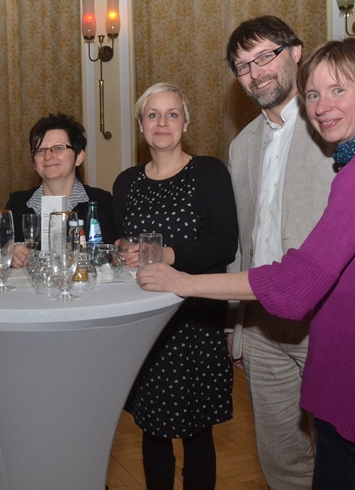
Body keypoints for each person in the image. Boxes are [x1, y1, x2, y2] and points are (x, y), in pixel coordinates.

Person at [137, 38, 355, 490]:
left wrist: (183, 281)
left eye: (338, 90)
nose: (321, 106)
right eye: (312, 94)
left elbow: (296, 285)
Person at [223, 15, 336, 489]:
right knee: (280, 458)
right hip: (261, 325)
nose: (256, 73)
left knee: (339, 456)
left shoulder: (330, 127)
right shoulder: (241, 146)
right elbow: (242, 241)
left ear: (296, 52)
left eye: (265, 56)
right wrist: (235, 324)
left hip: (326, 320)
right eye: (243, 66)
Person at [112, 83, 238, 490]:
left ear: (186, 124)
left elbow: (224, 244)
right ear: (140, 125)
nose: (162, 123)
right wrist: (122, 251)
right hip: (144, 321)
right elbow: (118, 244)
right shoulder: (126, 182)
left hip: (195, 320)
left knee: (197, 431)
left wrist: (165, 254)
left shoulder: (209, 172)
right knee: (152, 428)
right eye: (153, 115)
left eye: (172, 114)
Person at [6, 112, 115, 267]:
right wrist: (10, 252)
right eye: (40, 150)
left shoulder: (99, 202)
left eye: (58, 148)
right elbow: (0, 247)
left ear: (79, 157)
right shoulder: (17, 203)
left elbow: (109, 254)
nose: (48, 156)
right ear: (33, 163)